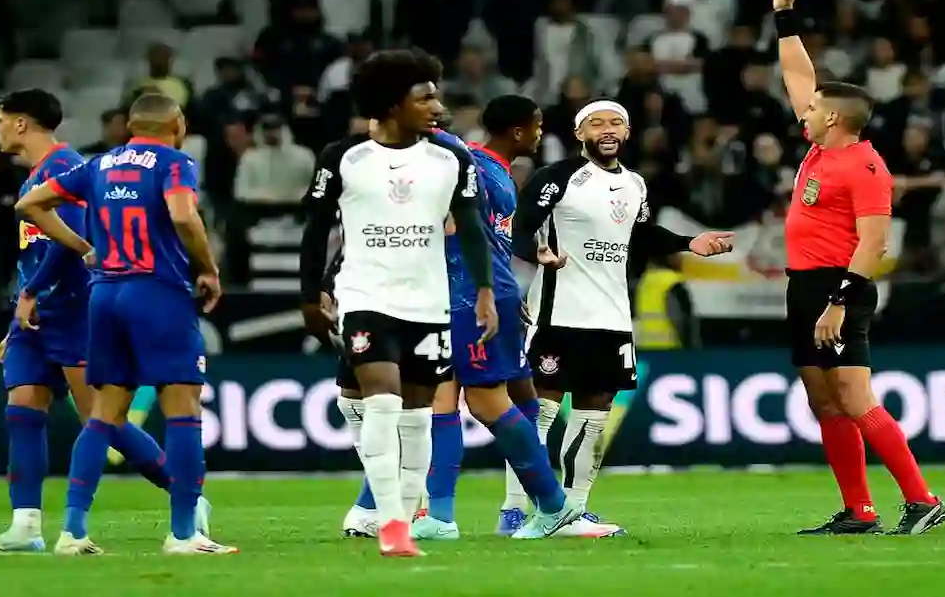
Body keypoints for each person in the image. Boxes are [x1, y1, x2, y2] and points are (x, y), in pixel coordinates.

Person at [0, 89, 210, 553]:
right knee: (23, 407)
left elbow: (79, 240)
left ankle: (187, 499)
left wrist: (40, 287)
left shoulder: (67, 167)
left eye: (0, 119)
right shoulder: (36, 177)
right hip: (37, 311)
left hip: (75, 308)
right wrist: (22, 313)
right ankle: (26, 525)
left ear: (22, 123)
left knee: (101, 417)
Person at [297, 50, 506, 557]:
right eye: (424, 95)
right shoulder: (343, 157)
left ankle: (404, 516)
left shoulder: (450, 159)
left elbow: (473, 228)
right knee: (382, 404)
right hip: (366, 295)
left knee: (417, 417)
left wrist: (483, 291)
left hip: (428, 302)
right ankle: (390, 525)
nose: (436, 103)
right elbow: (316, 230)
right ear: (392, 104)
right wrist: (310, 295)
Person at [771, 0, 945, 536]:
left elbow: (874, 243)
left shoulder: (866, 168)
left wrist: (838, 304)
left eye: (816, 108)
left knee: (854, 395)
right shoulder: (821, 146)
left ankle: (924, 500)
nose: (806, 107)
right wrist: (784, 18)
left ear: (837, 120)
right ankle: (859, 511)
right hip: (802, 285)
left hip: (839, 287)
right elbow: (799, 76)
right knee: (825, 402)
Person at [511, 99, 733, 532]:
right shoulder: (557, 178)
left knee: (595, 413)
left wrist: (690, 242)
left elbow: (640, 234)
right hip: (559, 312)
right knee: (540, 412)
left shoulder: (635, 184)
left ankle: (572, 509)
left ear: (628, 132)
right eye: (596, 123)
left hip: (611, 317)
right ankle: (529, 508)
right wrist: (534, 253)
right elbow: (520, 225)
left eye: (616, 122)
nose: (607, 129)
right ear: (580, 134)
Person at [412, 96, 585, 541]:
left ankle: (552, 505)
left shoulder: (478, 166)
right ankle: (441, 517)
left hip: (473, 295)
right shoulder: (486, 167)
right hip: (462, 295)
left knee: (486, 403)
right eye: (539, 124)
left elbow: (481, 236)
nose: (542, 133)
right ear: (519, 131)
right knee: (442, 402)